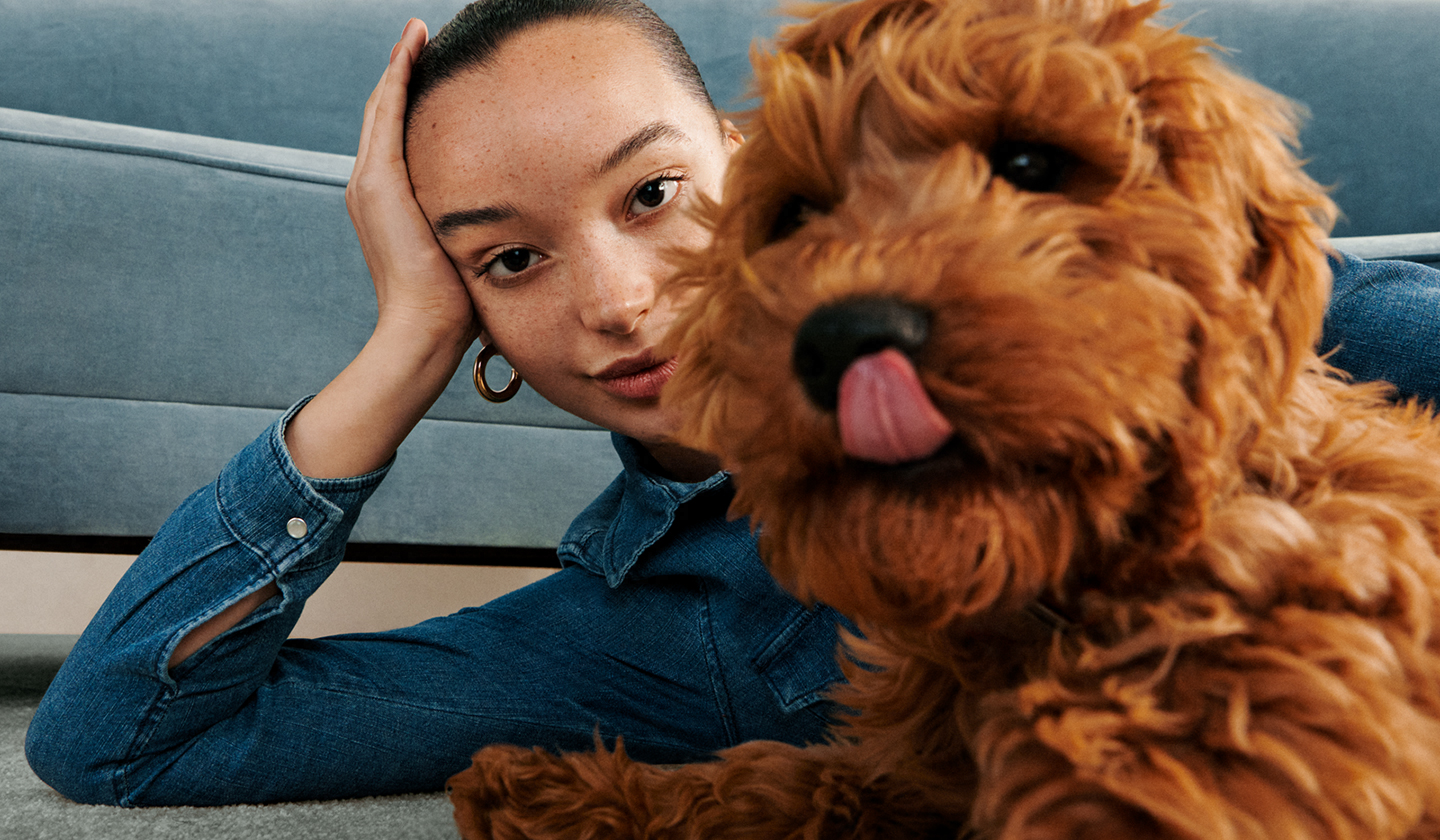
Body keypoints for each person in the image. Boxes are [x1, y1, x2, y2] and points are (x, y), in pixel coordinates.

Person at [24, 0, 1440, 808]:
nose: (620, 301)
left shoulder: (1204, 300)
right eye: (509, 261)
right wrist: (402, 342)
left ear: (755, 172)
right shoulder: (645, 623)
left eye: (656, 197)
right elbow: (115, 740)